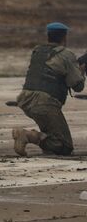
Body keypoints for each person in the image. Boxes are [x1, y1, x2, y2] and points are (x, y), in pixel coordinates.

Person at [13, 21, 85, 157]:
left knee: (52, 134)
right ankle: (28, 135)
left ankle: (46, 144)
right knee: (64, 146)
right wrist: (81, 70)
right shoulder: (66, 54)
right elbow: (78, 86)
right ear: (64, 37)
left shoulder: (38, 50)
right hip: (45, 103)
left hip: (25, 99)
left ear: (49, 36)